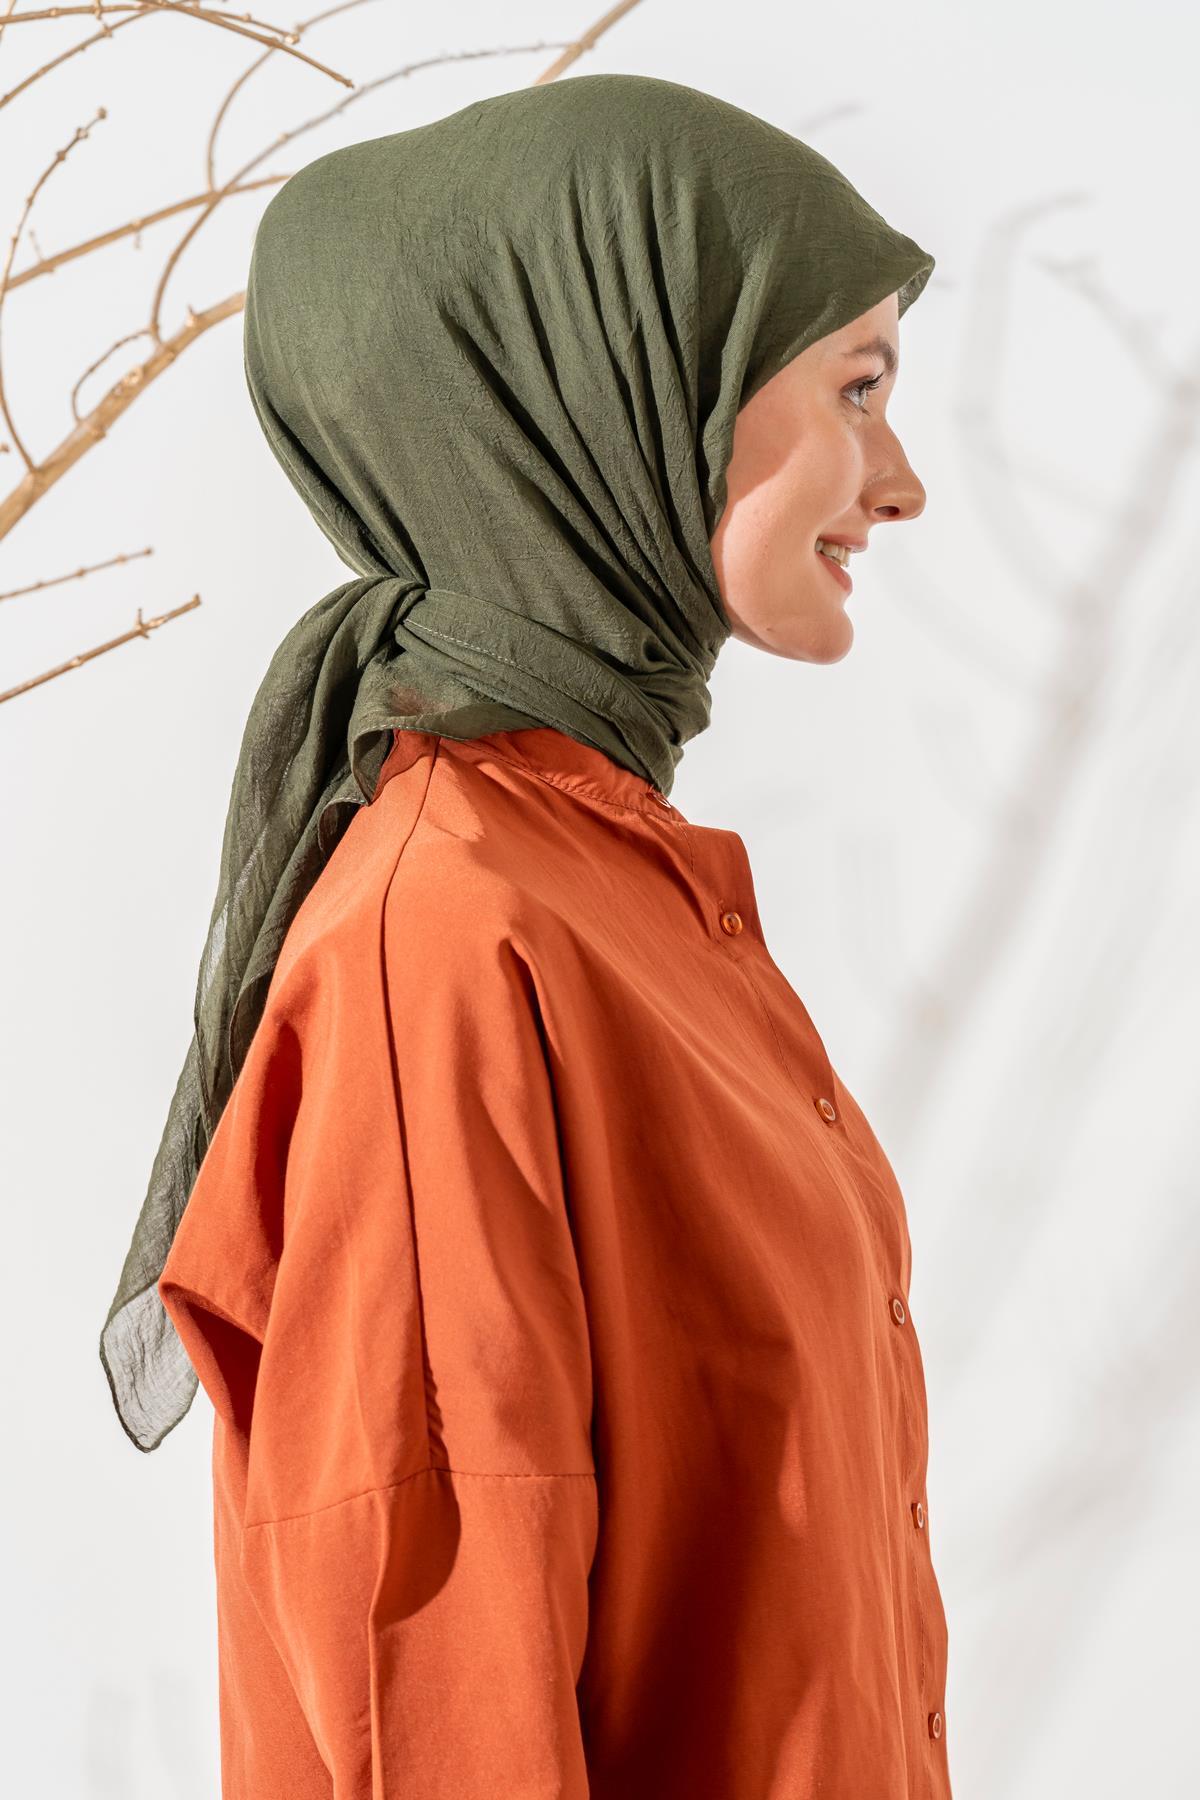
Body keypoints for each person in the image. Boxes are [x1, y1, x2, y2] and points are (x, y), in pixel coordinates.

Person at [99, 71, 950, 1797]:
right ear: (622, 384)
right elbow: (436, 1696)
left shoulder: (618, 890)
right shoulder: (448, 939)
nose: (902, 481)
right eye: (855, 389)